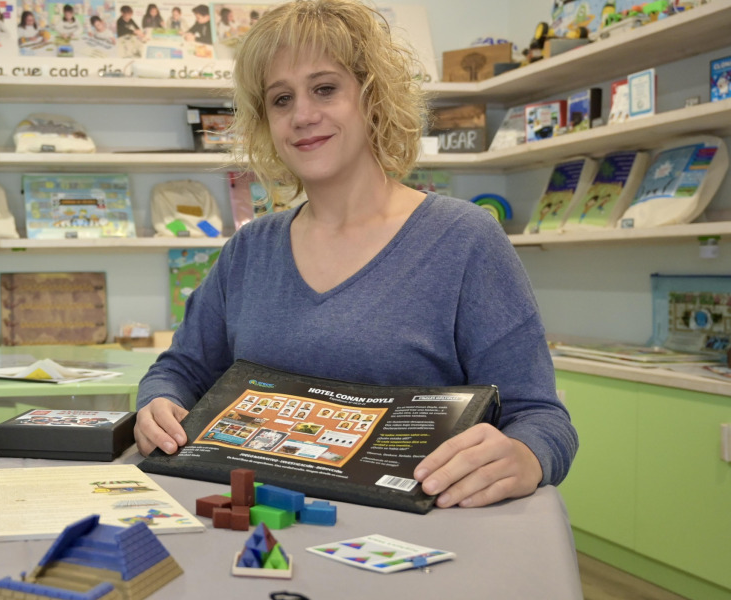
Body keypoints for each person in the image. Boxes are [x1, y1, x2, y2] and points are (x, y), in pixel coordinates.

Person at [133, 0, 577, 510]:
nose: (302, 115)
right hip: (261, 532)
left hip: (415, 548)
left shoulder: (466, 240)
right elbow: (181, 371)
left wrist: (527, 454)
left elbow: (541, 417)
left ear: (373, 98)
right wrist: (158, 404)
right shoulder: (250, 250)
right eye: (280, 99)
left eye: (325, 89)